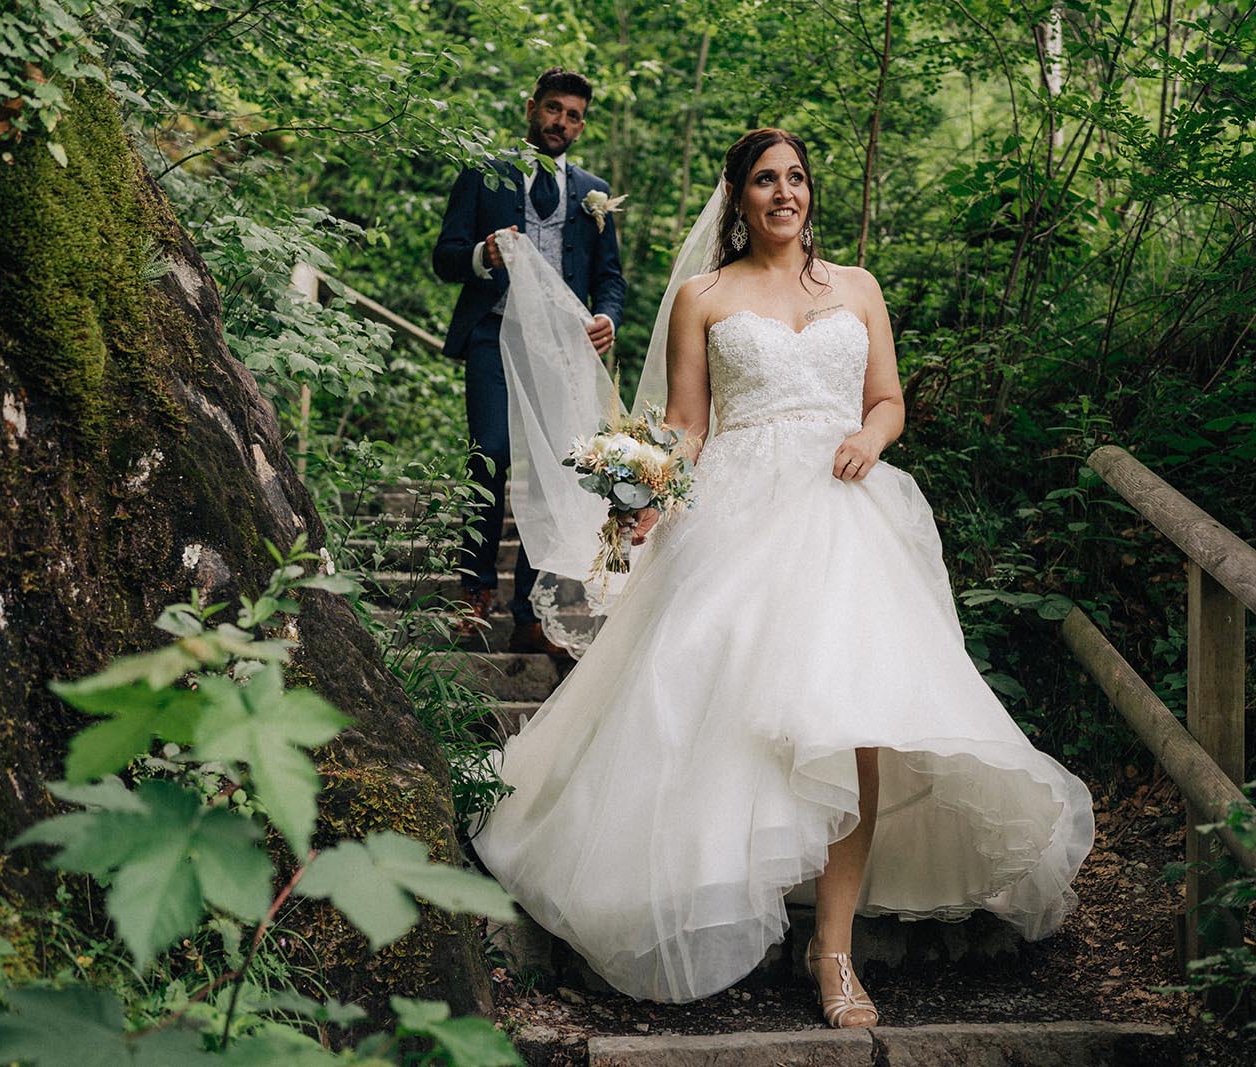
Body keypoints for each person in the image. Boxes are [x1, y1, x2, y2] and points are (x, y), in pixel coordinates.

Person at [472, 129, 1093, 1026]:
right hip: (739, 510)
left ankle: (833, 952)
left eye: (796, 178)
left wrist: (869, 437)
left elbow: (889, 398)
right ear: (737, 197)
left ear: (811, 193)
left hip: (848, 512)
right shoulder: (703, 296)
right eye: (765, 180)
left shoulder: (857, 288)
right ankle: (720, 891)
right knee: (718, 703)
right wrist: (646, 480)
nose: (783, 193)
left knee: (858, 719)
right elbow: (688, 423)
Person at [432, 67, 626, 655]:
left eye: (572, 115)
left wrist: (607, 319)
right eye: (552, 109)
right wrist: (483, 256)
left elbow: (610, 281)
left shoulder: (594, 193)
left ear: (581, 124)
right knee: (489, 454)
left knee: (553, 474)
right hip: (493, 336)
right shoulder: (483, 173)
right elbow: (445, 257)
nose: (560, 123)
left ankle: (529, 608)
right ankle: (474, 592)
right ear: (530, 108)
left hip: (562, 351)